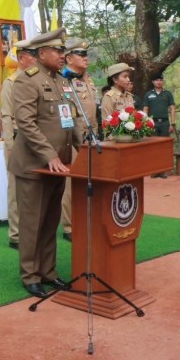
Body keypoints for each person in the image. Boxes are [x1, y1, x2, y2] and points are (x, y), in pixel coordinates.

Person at [9, 29, 81, 298]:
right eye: (58, 51)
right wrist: (50, 155)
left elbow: (69, 120)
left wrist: (87, 148)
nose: (63, 55)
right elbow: (26, 123)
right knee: (32, 223)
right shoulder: (27, 80)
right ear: (42, 53)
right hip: (34, 167)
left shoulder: (61, 81)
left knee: (51, 221)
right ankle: (30, 275)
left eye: (63, 51)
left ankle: (48, 271)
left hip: (58, 166)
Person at [60, 38, 97, 242]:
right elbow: (66, 115)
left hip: (91, 138)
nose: (85, 58)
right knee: (71, 184)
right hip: (73, 139)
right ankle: (69, 226)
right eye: (81, 55)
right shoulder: (64, 79)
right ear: (69, 58)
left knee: (88, 182)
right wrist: (73, 139)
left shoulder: (87, 78)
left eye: (86, 54)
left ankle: (85, 220)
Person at [1, 39, 35, 250]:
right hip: (17, 139)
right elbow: (6, 116)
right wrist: (9, 145)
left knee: (33, 189)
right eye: (33, 54)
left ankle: (31, 231)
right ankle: (16, 234)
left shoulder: (36, 80)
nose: (36, 58)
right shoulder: (11, 82)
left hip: (35, 141)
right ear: (22, 58)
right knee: (16, 189)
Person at [143, 73, 177, 178]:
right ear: (153, 82)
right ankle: (154, 170)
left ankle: (162, 171)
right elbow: (145, 109)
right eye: (156, 80)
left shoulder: (168, 94)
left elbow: (172, 109)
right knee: (153, 147)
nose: (159, 82)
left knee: (163, 147)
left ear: (163, 81)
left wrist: (173, 123)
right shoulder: (148, 94)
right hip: (153, 123)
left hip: (165, 123)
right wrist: (145, 123)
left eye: (160, 80)